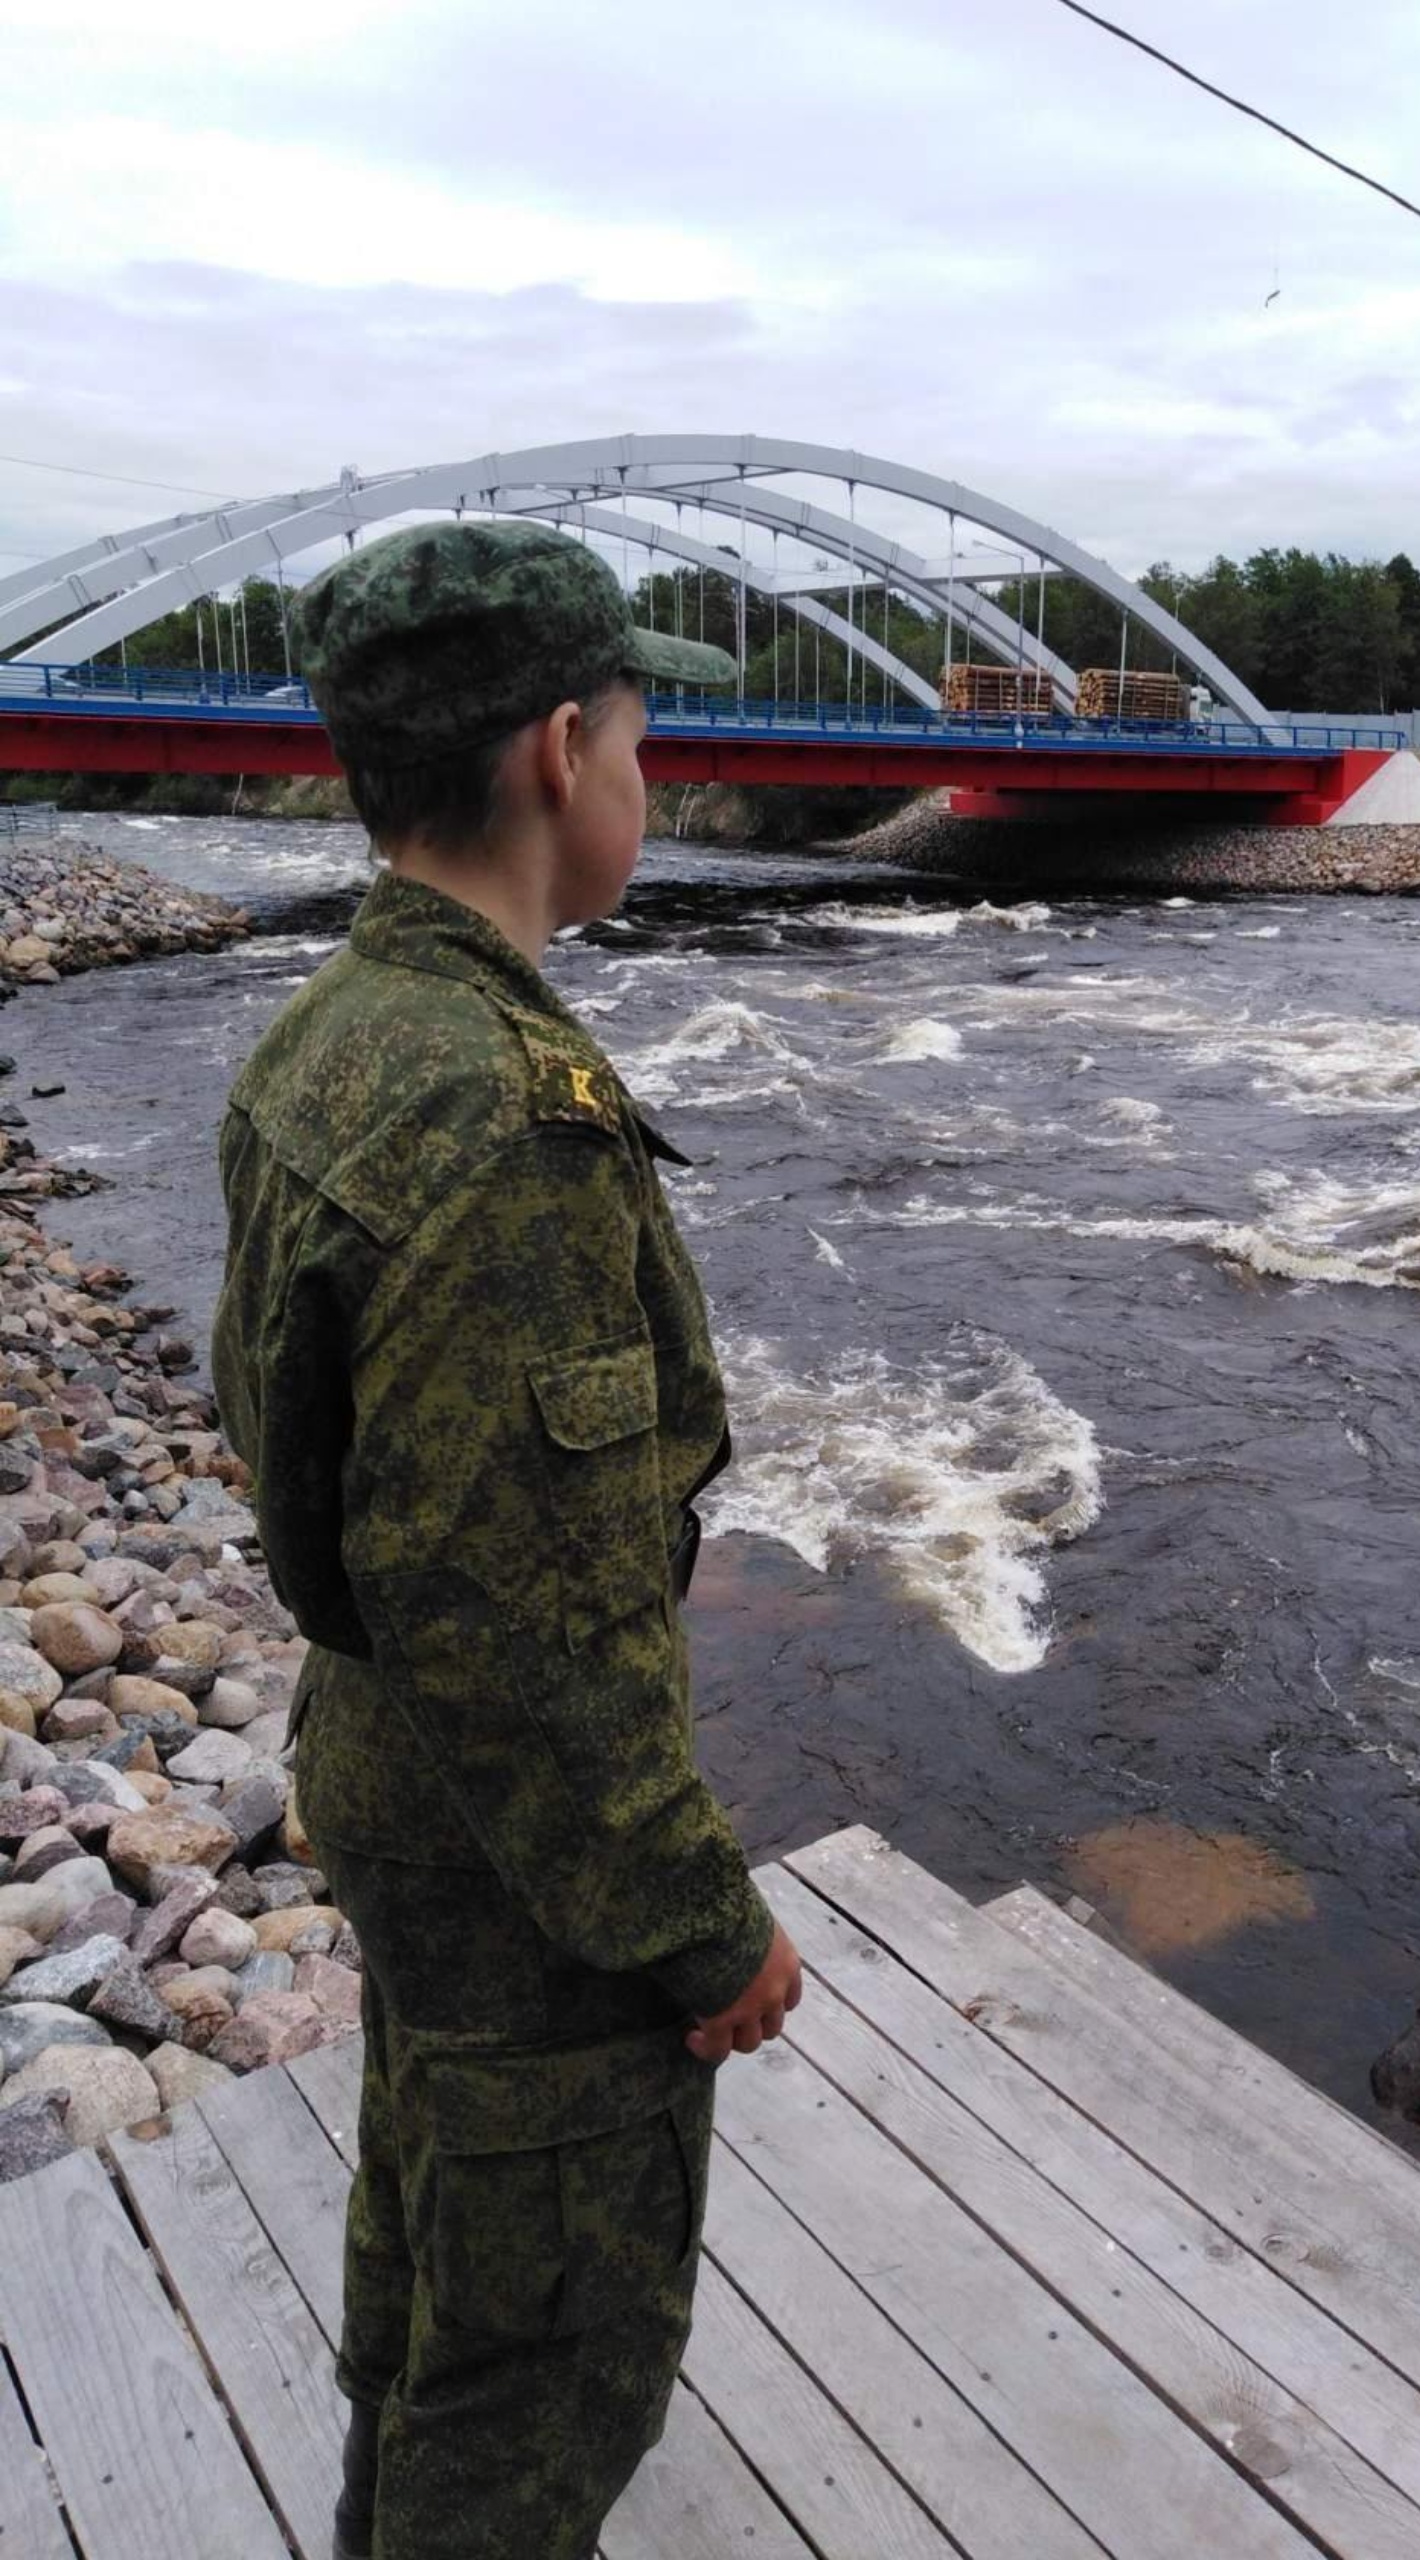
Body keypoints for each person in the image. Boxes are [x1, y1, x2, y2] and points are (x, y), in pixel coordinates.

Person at [210, 517, 805, 2560]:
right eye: (639, 739)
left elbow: (327, 1484)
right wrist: (698, 1924)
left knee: (437, 2264)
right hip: (525, 1861)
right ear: (563, 751)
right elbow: (523, 1626)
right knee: (542, 2371)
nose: (643, 779)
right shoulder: (506, 1114)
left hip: (383, 1772)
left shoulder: (327, 1040)